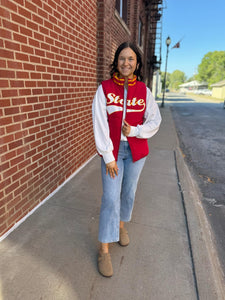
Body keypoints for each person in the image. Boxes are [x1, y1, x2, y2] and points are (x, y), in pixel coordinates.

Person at [92, 41, 162, 277]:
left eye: (131, 59)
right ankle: (103, 249)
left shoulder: (144, 91)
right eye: (122, 58)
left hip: (136, 152)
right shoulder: (104, 89)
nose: (126, 63)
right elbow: (99, 124)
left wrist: (136, 131)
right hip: (113, 153)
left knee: (128, 193)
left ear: (137, 63)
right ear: (116, 61)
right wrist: (108, 156)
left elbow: (155, 121)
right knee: (111, 198)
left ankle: (121, 226)